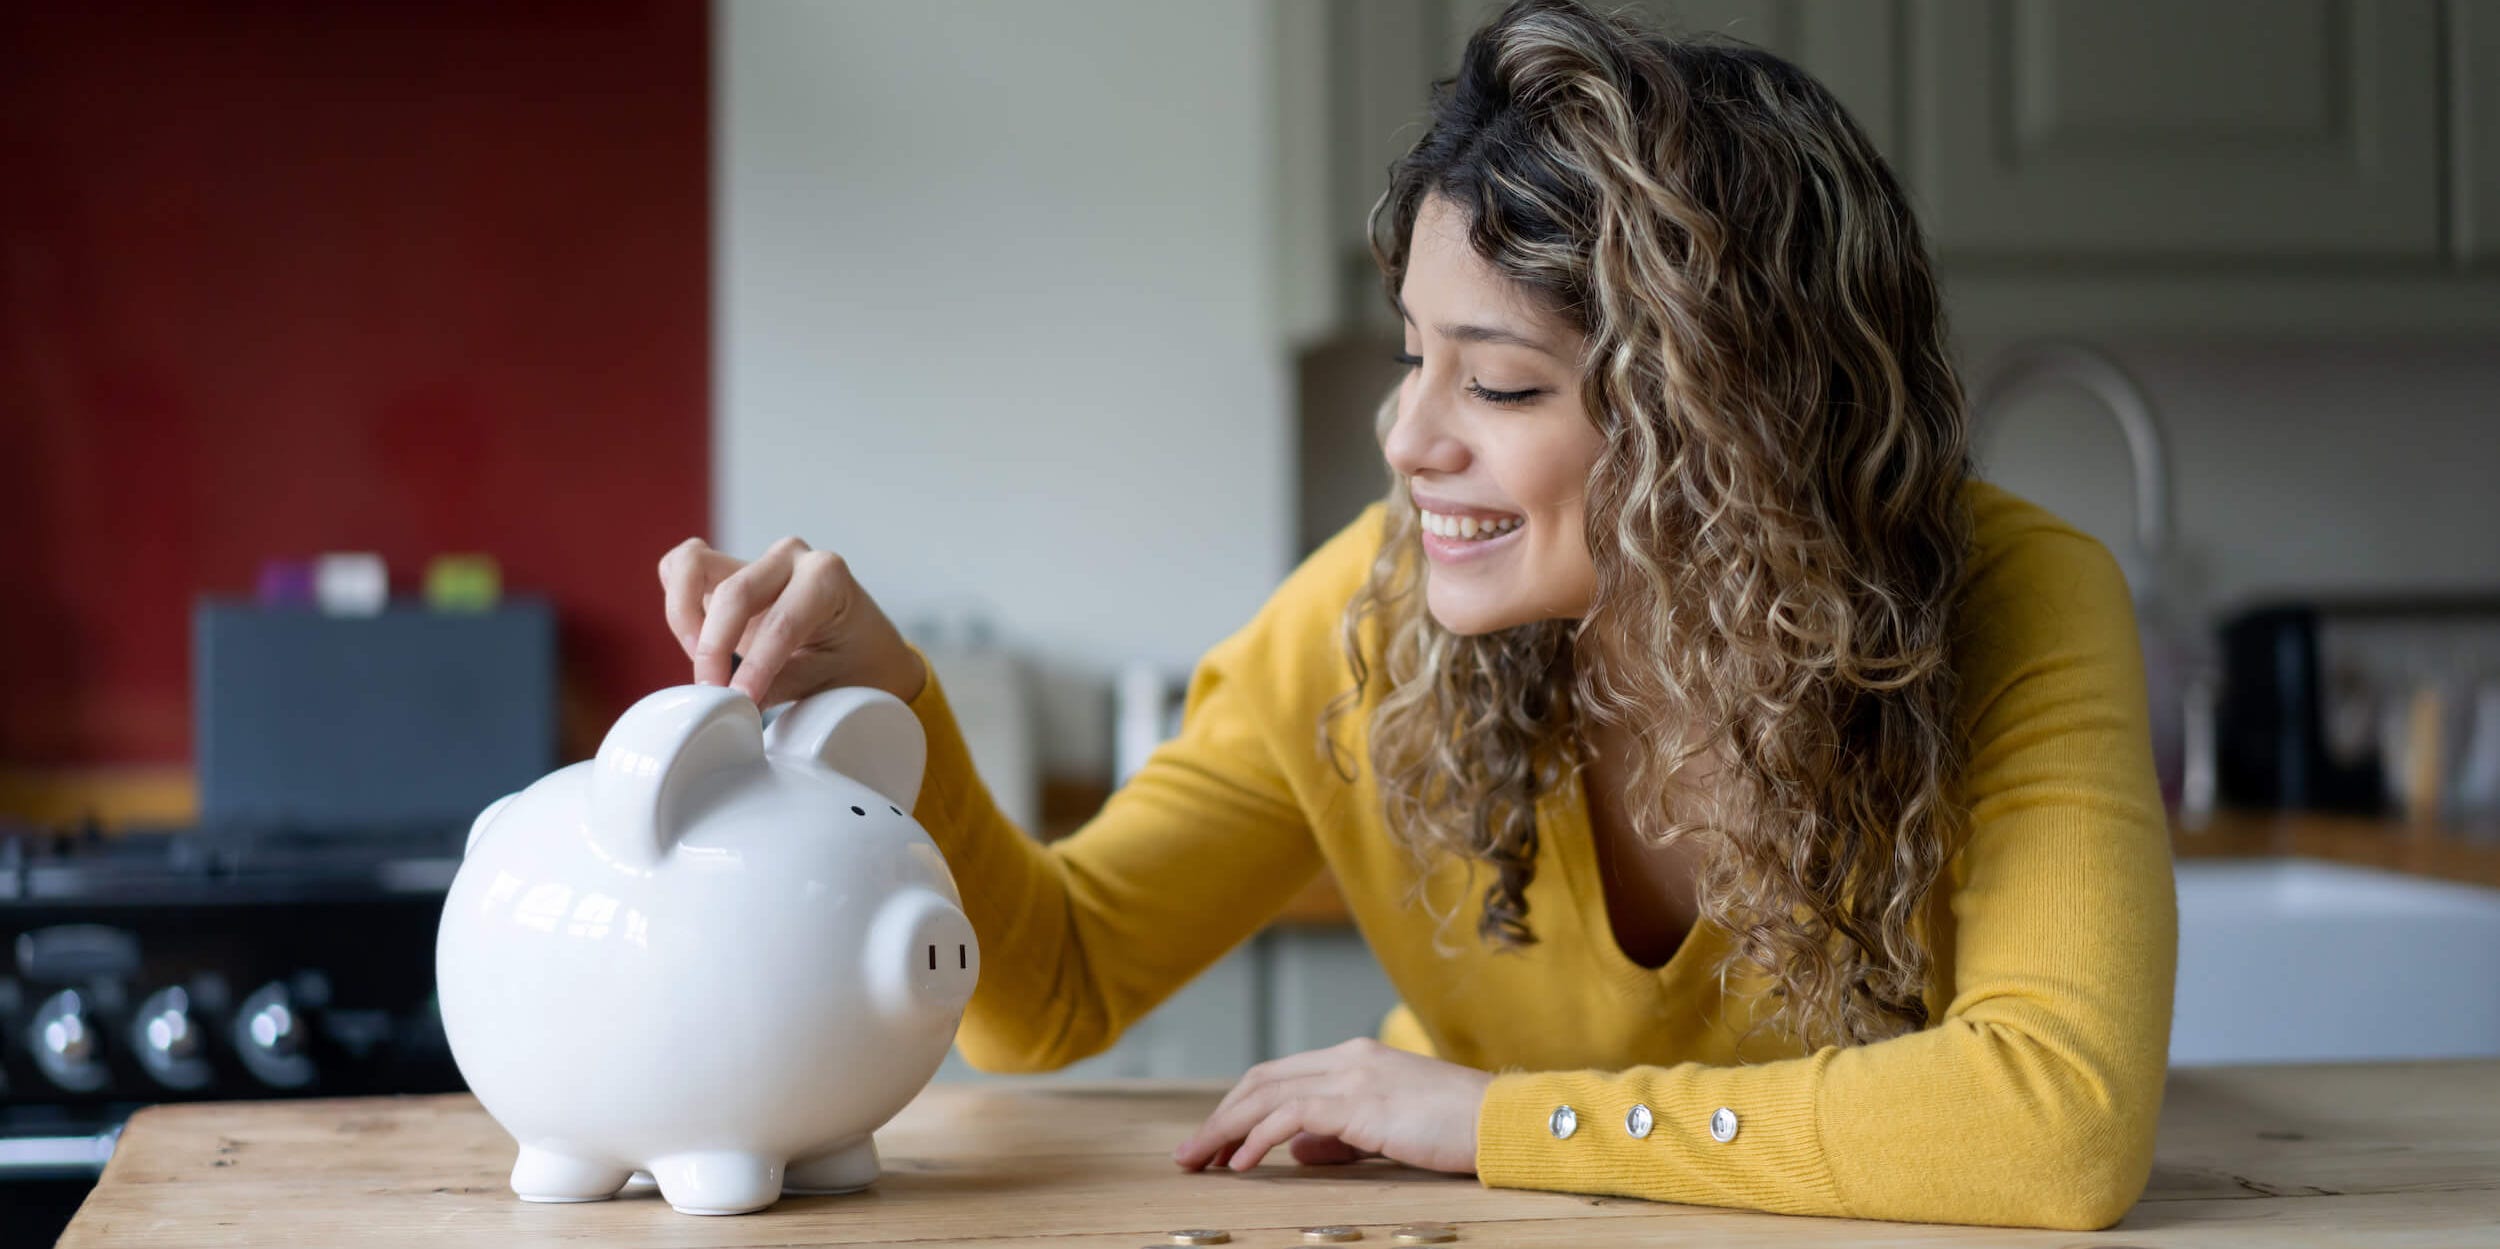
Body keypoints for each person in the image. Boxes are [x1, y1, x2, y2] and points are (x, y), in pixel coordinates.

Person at [655, 0, 2174, 1231]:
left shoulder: (2014, 603)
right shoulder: (1362, 628)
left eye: (1497, 382)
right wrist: (896, 695)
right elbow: (1047, 989)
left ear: (1729, 420)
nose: (1409, 437)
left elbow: (2052, 1127)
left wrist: (1500, 1119)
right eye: (1414, 359)